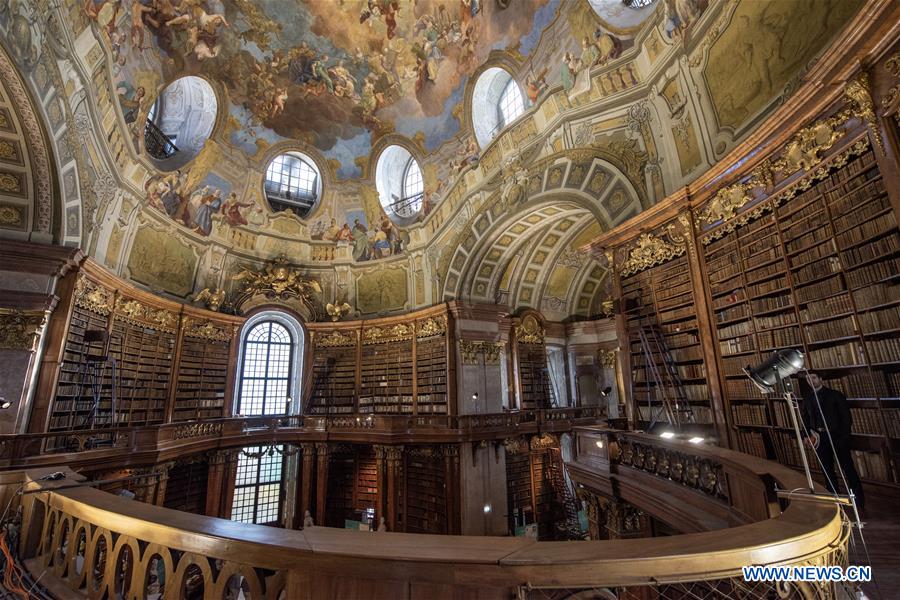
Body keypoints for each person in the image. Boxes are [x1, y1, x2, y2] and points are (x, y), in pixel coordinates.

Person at [800, 372, 864, 509]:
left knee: (848, 468)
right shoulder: (807, 398)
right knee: (827, 470)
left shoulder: (835, 395)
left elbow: (846, 418)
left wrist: (844, 438)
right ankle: (835, 501)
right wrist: (805, 435)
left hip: (837, 437)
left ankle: (858, 502)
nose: (811, 381)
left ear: (820, 379)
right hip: (819, 438)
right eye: (808, 379)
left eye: (814, 378)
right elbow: (805, 418)